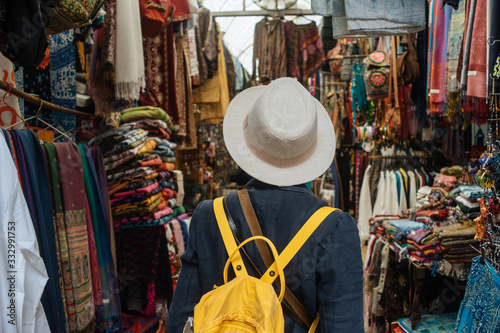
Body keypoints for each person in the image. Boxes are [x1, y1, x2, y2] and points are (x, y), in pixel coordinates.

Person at [165, 77, 363, 332]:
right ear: (310, 148)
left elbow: (179, 322)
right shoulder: (335, 228)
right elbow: (345, 327)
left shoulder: (208, 215)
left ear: (250, 142)